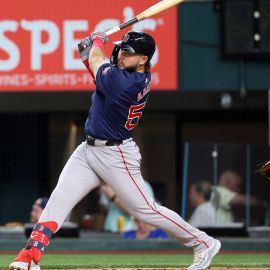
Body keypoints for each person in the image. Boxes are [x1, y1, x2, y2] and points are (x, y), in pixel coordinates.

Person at [9, 30, 220, 270]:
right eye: (121, 49)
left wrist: (97, 43)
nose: (121, 55)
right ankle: (29, 257)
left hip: (116, 154)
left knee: (147, 211)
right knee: (58, 199)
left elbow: (99, 63)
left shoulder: (128, 82)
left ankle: (203, 242)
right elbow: (99, 72)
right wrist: (88, 54)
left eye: (129, 53)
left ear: (143, 60)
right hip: (88, 151)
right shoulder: (124, 76)